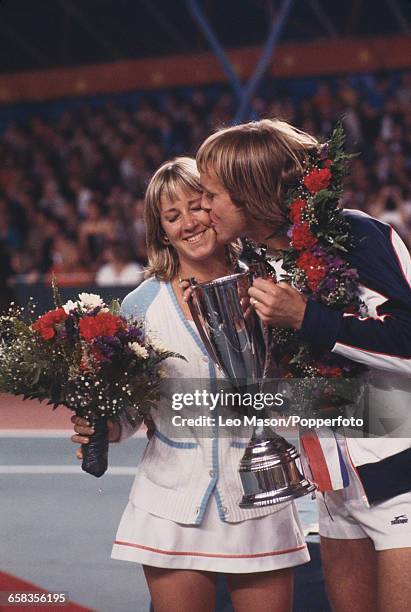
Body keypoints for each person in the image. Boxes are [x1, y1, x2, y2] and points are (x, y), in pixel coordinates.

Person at [71, 157, 309, 612]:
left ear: (219, 209)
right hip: (171, 502)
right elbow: (132, 410)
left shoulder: (270, 286)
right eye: (172, 216)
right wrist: (103, 426)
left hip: (260, 497)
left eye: (197, 206)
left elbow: (302, 388)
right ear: (161, 231)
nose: (189, 223)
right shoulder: (141, 305)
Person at [195, 119, 411, 612]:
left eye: (212, 194)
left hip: (403, 478)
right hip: (335, 487)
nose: (204, 206)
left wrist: (307, 318)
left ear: (250, 192)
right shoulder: (250, 265)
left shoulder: (355, 235)